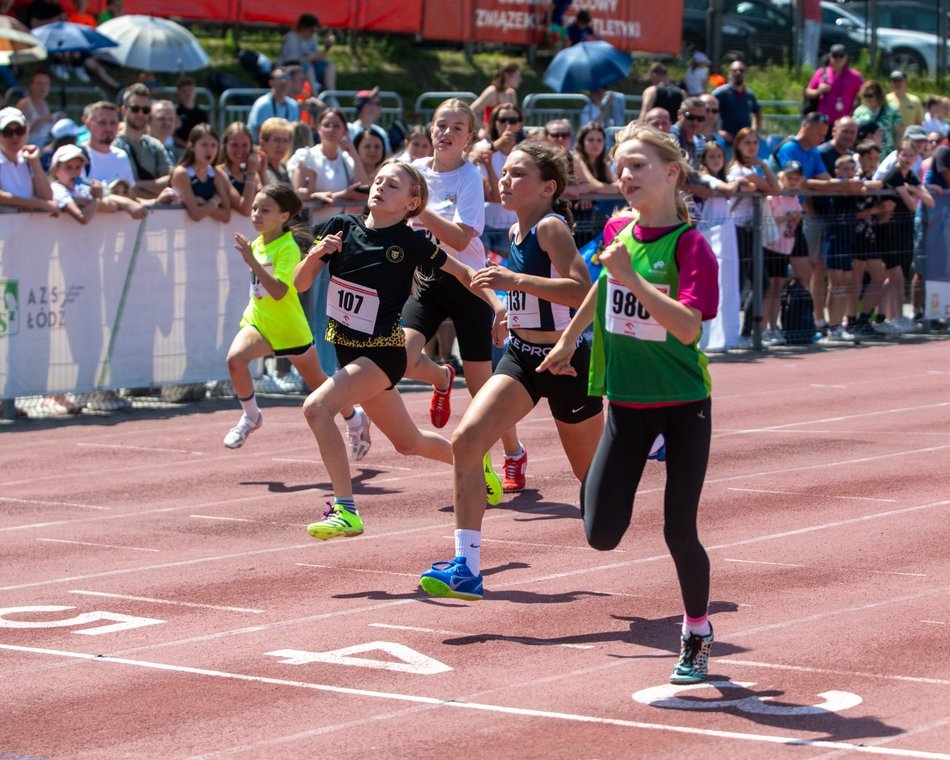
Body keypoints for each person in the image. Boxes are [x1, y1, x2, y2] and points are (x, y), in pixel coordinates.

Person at [535, 124, 720, 685]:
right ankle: (631, 460)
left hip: (682, 403)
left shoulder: (690, 245)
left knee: (677, 531)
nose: (626, 175)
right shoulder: (619, 228)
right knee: (600, 534)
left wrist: (633, 278)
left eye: (638, 165)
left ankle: (696, 632)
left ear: (671, 174)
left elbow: (688, 328)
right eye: (621, 166)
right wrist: (569, 339)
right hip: (626, 401)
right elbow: (604, 285)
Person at [418, 141, 603, 602]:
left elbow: (582, 289)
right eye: (505, 173)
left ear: (548, 188)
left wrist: (512, 281)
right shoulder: (518, 233)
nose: (505, 180)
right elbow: (526, 295)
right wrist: (509, 310)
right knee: (467, 441)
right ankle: (467, 567)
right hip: (521, 357)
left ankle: (636, 462)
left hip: (565, 364)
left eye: (518, 174)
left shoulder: (550, 227)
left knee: (596, 487)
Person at [294, 160, 504, 541]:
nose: (380, 188)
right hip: (347, 351)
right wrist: (315, 255)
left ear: (412, 202)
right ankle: (474, 461)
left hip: (382, 353)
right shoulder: (341, 227)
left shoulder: (412, 242)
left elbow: (463, 273)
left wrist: (499, 305)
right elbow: (300, 283)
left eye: (392, 186)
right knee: (408, 443)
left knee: (317, 407)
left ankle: (345, 509)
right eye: (378, 182)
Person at [400, 99, 522, 491]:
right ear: (430, 130)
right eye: (441, 125)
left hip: (470, 283)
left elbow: (458, 237)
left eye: (457, 128)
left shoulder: (469, 178)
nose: (447, 133)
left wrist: (418, 210)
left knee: (482, 391)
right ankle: (439, 376)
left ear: (469, 137)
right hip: (428, 279)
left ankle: (514, 452)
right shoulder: (414, 171)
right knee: (400, 359)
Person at [223, 182, 367, 451]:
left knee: (319, 384)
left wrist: (252, 262)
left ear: (284, 216)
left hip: (289, 329)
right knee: (234, 360)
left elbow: (279, 291)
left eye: (264, 210)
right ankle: (251, 416)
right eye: (254, 208)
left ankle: (354, 417)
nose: (256, 214)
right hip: (259, 322)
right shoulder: (256, 244)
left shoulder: (287, 248)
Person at [727, 127, 778, 343]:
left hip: (750, 230)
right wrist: (763, 170)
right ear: (738, 145)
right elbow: (773, 188)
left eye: (755, 142)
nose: (752, 147)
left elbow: (774, 188)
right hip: (738, 230)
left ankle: (746, 331)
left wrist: (763, 165)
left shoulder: (752, 170)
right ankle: (738, 332)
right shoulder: (740, 171)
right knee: (740, 283)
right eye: (747, 142)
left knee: (759, 282)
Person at [878, 139, 934, 333]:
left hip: (904, 230)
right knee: (897, 277)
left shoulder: (910, 175)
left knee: (894, 277)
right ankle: (895, 317)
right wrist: (913, 191)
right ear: (898, 155)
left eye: (911, 155)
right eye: (905, 155)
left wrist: (913, 189)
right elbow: (912, 204)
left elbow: (929, 201)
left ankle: (883, 316)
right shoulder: (894, 175)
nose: (908, 159)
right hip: (890, 230)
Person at [289, 107, 369, 225]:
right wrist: (341, 195)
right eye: (327, 125)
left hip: (339, 229)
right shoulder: (306, 156)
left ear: (345, 130)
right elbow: (300, 196)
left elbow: (363, 188)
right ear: (319, 129)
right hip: (311, 229)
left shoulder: (347, 159)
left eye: (337, 126)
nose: (331, 129)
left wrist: (352, 151)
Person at [818, 154, 862, 343]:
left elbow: (868, 186)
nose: (848, 173)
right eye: (844, 169)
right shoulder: (834, 187)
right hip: (834, 237)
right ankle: (832, 326)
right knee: (835, 283)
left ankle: (839, 324)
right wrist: (845, 183)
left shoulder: (855, 186)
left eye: (851, 169)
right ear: (836, 171)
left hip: (848, 238)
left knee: (845, 282)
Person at [851, 140, 891, 338]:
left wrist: (883, 212)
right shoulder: (856, 179)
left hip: (870, 234)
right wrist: (875, 210)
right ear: (860, 158)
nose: (873, 162)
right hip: (855, 234)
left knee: (879, 276)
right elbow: (852, 213)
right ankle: (851, 321)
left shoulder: (871, 180)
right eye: (869, 158)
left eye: (876, 159)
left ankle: (863, 317)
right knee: (855, 280)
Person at [113, 84, 174, 201]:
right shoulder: (114, 146)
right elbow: (123, 190)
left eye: (145, 110)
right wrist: (156, 194)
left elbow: (171, 183)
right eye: (135, 109)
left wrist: (138, 184)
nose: (140, 114)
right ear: (123, 110)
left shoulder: (155, 146)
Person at [170, 123, 232, 223]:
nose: (209, 150)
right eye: (204, 145)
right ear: (191, 147)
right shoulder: (182, 173)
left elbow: (226, 216)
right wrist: (215, 201)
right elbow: (196, 214)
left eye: (213, 145)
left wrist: (204, 203)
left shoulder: (217, 173)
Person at [0, 107, 57, 214]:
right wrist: (38, 204)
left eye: (20, 131)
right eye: (7, 132)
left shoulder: (28, 159)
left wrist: (35, 164)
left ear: (27, 131)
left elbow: (47, 197)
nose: (15, 136)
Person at [804, 44, 862, 131]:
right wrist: (819, 91)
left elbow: (863, 94)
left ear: (846, 57)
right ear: (830, 56)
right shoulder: (822, 73)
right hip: (823, 122)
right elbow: (808, 92)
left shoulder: (854, 76)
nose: (838, 59)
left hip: (843, 124)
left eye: (841, 56)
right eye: (835, 56)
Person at [278, 13, 336, 96]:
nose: (313, 33)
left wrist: (327, 47)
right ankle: (315, 96)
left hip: (307, 66)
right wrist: (311, 57)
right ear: (304, 28)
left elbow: (317, 58)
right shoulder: (292, 38)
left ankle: (331, 96)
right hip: (288, 68)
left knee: (328, 65)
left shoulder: (313, 37)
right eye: (312, 30)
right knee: (308, 66)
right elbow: (294, 61)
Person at [711, 60, 761, 153]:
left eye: (741, 70)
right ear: (730, 73)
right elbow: (707, 112)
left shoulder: (749, 94)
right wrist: (718, 132)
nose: (738, 73)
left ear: (745, 73)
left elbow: (757, 112)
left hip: (744, 143)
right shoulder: (721, 93)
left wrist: (754, 132)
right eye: (735, 70)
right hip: (726, 143)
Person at [218, 121, 261, 218]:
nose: (240, 150)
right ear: (225, 145)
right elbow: (245, 210)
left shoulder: (252, 172)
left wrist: (262, 170)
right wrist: (251, 173)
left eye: (245, 145)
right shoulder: (219, 172)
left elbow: (269, 201)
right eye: (234, 145)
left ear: (251, 147)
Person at [246, 68, 299, 143]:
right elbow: (261, 134)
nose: (283, 82)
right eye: (280, 78)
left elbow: (293, 131)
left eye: (286, 78)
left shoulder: (293, 105)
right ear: (271, 83)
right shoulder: (263, 104)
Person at [852, 80, 903, 157]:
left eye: (870, 95)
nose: (867, 98)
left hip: (886, 154)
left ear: (878, 95)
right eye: (864, 95)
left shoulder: (892, 111)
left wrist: (897, 153)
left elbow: (899, 134)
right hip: (864, 155)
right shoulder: (858, 112)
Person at [470, 61, 521, 128]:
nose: (520, 80)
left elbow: (515, 117)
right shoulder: (492, 92)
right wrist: (484, 128)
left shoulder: (511, 93)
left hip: (507, 134)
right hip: (491, 136)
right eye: (517, 76)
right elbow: (470, 111)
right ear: (507, 76)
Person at [15, 70, 57, 148]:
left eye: (46, 84)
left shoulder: (45, 103)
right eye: (39, 83)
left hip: (45, 145)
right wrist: (38, 121)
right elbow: (17, 131)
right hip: (29, 146)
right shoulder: (25, 104)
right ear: (31, 85)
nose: (43, 87)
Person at [347, 87, 391, 155]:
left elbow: (387, 156)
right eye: (377, 103)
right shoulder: (349, 129)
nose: (380, 107)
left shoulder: (380, 131)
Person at [173, 77, 209, 151]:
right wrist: (186, 145)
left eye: (190, 90)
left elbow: (206, 133)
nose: (187, 94)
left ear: (195, 93)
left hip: (199, 149)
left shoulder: (201, 114)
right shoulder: (175, 113)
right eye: (184, 91)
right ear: (178, 93)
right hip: (179, 149)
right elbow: (172, 135)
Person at [800, 0, 822, 69]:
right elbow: (798, 5)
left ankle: (812, 67)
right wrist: (801, 19)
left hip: (817, 20)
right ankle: (805, 67)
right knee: (806, 46)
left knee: (814, 47)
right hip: (807, 20)